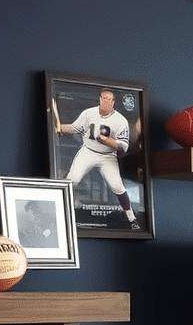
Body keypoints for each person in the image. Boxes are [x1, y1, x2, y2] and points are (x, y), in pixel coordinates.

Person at [55, 88, 141, 229]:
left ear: (113, 102)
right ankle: (59, 208)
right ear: (100, 99)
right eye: (104, 98)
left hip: (108, 156)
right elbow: (75, 128)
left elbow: (124, 146)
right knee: (72, 179)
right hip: (88, 151)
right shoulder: (89, 113)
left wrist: (107, 141)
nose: (106, 101)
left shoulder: (120, 120)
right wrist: (59, 127)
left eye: (109, 99)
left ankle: (132, 218)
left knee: (117, 186)